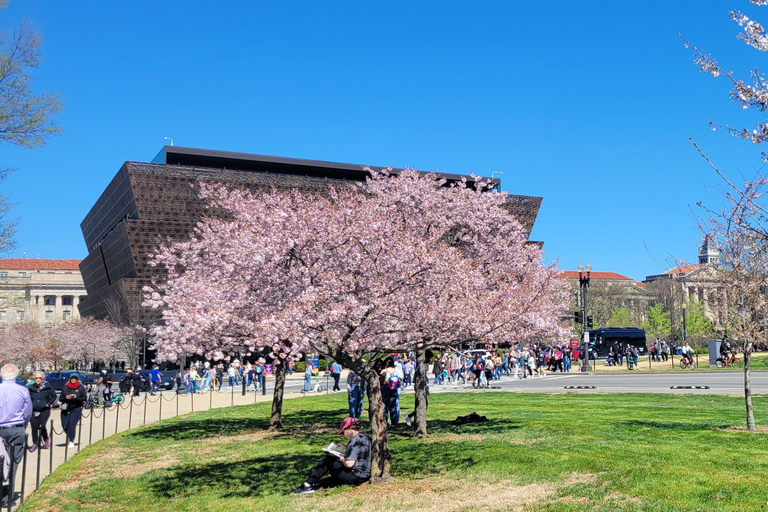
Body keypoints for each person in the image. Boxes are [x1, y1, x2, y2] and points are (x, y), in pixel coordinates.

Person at [292, 417, 371, 494]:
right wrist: (346, 447)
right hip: (365, 475)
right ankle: (313, 481)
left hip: (356, 477)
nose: (343, 435)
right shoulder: (364, 436)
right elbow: (360, 452)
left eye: (343, 432)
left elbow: (349, 464)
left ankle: (307, 485)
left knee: (327, 460)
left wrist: (342, 458)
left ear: (350, 429)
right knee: (331, 459)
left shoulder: (354, 441)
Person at [0, 364, 32, 506]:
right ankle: (6, 498)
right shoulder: (22, 390)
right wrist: (23, 425)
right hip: (16, 428)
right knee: (12, 463)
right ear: (17, 375)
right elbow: (28, 412)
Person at [27, 371, 56, 451]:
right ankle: (35, 443)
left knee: (42, 425)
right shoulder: (30, 388)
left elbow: (54, 396)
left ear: (42, 378)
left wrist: (48, 404)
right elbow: (26, 398)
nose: (38, 380)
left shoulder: (47, 386)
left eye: (40, 378)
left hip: (44, 410)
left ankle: (46, 439)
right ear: (34, 379)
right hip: (33, 410)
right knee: (34, 427)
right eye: (36, 378)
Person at [59, 374, 87, 448]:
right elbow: (60, 398)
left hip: (76, 408)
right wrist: (66, 397)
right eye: (72, 378)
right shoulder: (65, 387)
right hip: (66, 408)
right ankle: (69, 434)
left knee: (72, 424)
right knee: (64, 424)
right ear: (70, 379)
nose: (73, 379)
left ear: (77, 379)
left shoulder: (81, 387)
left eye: (75, 378)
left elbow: (84, 398)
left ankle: (71, 440)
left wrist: (76, 397)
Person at [381, 358, 401, 425]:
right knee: (393, 406)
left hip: (386, 388)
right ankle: (394, 422)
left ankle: (385, 421)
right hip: (394, 388)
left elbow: (381, 381)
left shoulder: (384, 371)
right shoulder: (396, 370)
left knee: (385, 406)